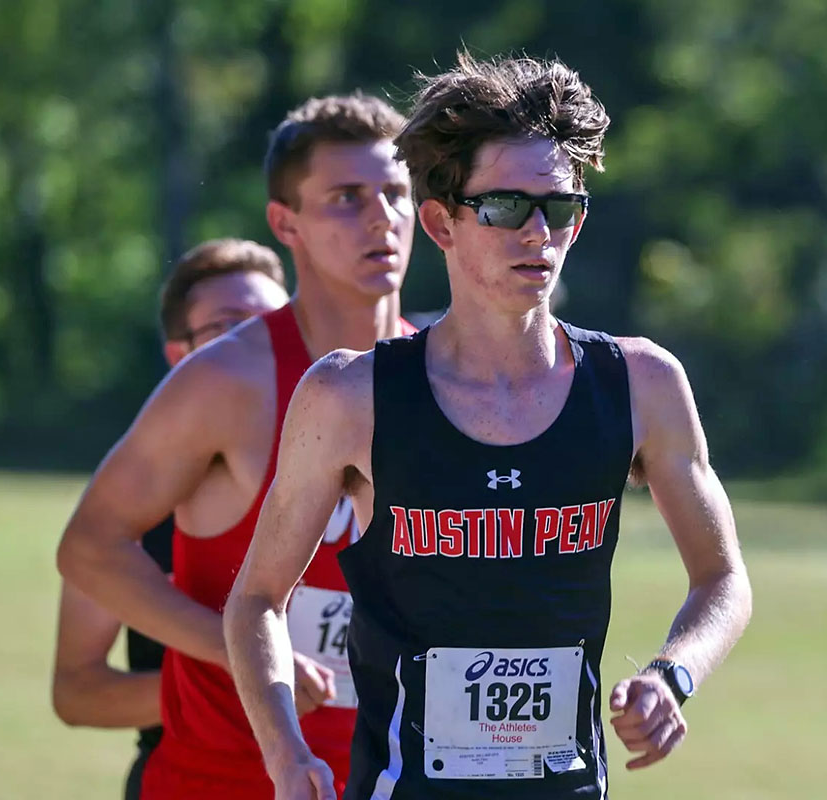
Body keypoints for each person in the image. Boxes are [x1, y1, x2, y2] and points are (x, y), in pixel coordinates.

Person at [223, 52, 753, 800]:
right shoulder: (351, 395)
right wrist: (285, 753)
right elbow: (255, 601)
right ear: (440, 220)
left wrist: (675, 674)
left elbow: (723, 577)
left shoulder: (641, 384)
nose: (538, 233)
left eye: (560, 208)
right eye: (506, 207)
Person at [56, 92, 417, 799]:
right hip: (219, 780)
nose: (382, 217)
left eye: (397, 193)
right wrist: (243, 648)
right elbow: (88, 548)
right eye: (347, 197)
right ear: (287, 223)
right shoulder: (228, 378)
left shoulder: (439, 378)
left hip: (393, 781)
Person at [51, 238, 289, 800]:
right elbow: (76, 692)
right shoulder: (134, 512)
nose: (253, 348)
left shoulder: (344, 471)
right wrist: (236, 676)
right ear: (181, 358)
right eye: (228, 331)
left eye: (272, 326)